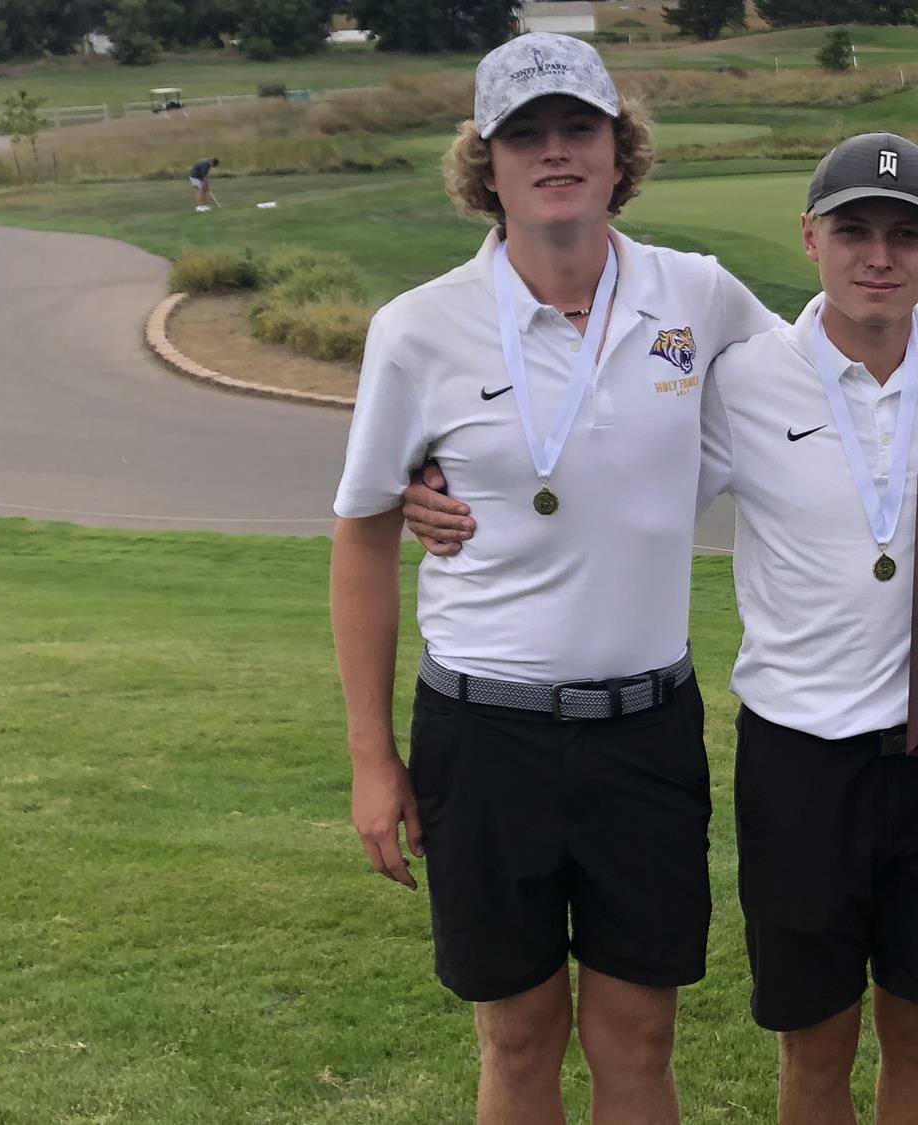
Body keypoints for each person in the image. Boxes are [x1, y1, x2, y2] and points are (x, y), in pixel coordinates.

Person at [329, 33, 781, 1124]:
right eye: (522, 135)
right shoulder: (417, 330)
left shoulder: (700, 297)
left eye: (578, 127)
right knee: (517, 1036)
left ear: (620, 151)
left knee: (637, 1039)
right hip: (484, 738)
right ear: (484, 165)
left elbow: (803, 396)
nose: (554, 152)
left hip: (644, 730)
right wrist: (372, 760)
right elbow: (360, 534)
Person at [697, 133, 918, 1125]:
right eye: (852, 231)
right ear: (810, 238)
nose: (877, 256)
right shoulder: (745, 377)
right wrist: (450, 488)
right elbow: (624, 474)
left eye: (903, 233)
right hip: (798, 758)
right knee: (815, 1042)